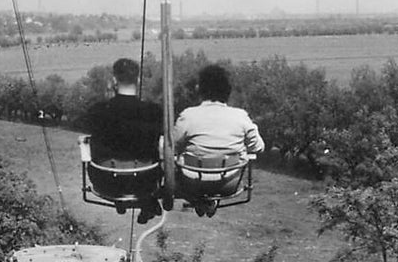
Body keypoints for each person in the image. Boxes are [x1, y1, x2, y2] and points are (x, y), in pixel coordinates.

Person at [172, 64, 265, 216]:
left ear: (199, 89)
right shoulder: (240, 116)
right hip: (228, 183)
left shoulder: (188, 116)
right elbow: (258, 147)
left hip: (192, 182)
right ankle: (207, 202)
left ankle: (202, 201)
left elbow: (171, 146)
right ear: (227, 91)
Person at [83, 58, 164, 223]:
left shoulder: (98, 111)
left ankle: (137, 202)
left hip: (106, 182)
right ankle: (147, 202)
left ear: (114, 80)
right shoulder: (154, 112)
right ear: (139, 80)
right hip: (143, 182)